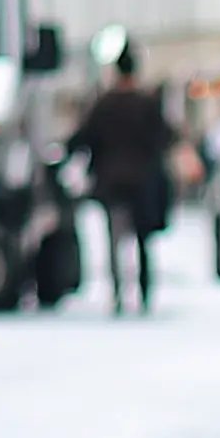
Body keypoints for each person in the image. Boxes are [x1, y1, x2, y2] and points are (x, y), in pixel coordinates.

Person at [64, 49, 180, 311]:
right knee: (142, 240)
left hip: (111, 181)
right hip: (143, 182)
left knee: (114, 239)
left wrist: (67, 154)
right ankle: (144, 291)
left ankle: (117, 293)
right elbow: (166, 137)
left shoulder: (104, 103)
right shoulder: (147, 103)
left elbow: (83, 137)